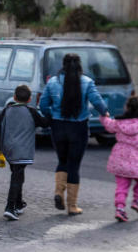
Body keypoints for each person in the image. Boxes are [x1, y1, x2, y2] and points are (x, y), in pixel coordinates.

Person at [39, 53, 109, 216]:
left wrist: (51, 116)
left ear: (62, 65)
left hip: (58, 126)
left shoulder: (53, 82)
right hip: (78, 128)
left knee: (62, 160)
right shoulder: (87, 82)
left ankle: (58, 192)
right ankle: (72, 206)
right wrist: (105, 112)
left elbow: (43, 105)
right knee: (74, 165)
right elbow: (98, 102)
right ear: (79, 65)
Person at [0, 84, 49, 220]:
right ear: (29, 99)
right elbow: (44, 123)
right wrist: (51, 112)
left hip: (8, 149)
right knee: (17, 176)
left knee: (18, 174)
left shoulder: (6, 110)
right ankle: (10, 207)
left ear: (14, 97)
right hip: (23, 150)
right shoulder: (31, 112)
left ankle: (18, 203)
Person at [100, 95, 138, 222]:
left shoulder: (119, 123)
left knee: (122, 186)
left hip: (120, 159)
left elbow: (108, 125)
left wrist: (103, 115)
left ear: (126, 108)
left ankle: (120, 209)